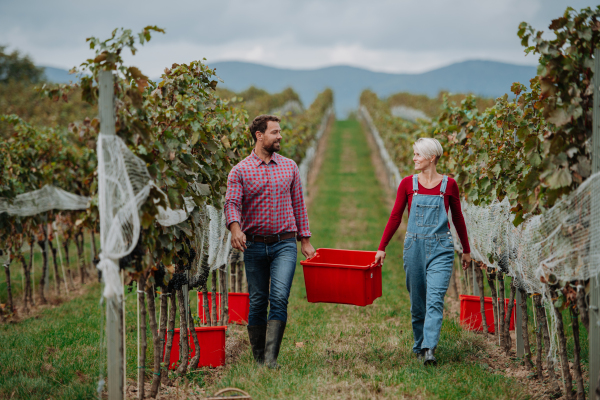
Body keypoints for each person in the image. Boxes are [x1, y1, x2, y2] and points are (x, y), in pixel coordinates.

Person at [224, 114, 316, 369]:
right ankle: (258, 359)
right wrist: (235, 229)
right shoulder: (240, 170)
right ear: (259, 135)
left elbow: (299, 205)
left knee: (279, 297)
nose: (280, 136)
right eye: (275, 132)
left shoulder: (290, 167)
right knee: (257, 300)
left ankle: (271, 360)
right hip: (253, 245)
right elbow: (231, 203)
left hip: (284, 243)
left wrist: (305, 241)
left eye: (279, 132)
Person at [374, 138, 471, 366]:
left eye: (418, 154)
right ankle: (419, 345)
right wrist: (382, 247)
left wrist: (466, 249)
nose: (414, 158)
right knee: (418, 303)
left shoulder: (449, 185)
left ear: (431, 158)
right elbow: (396, 216)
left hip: (441, 248)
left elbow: (457, 217)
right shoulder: (408, 184)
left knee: (435, 300)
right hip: (413, 247)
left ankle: (429, 348)